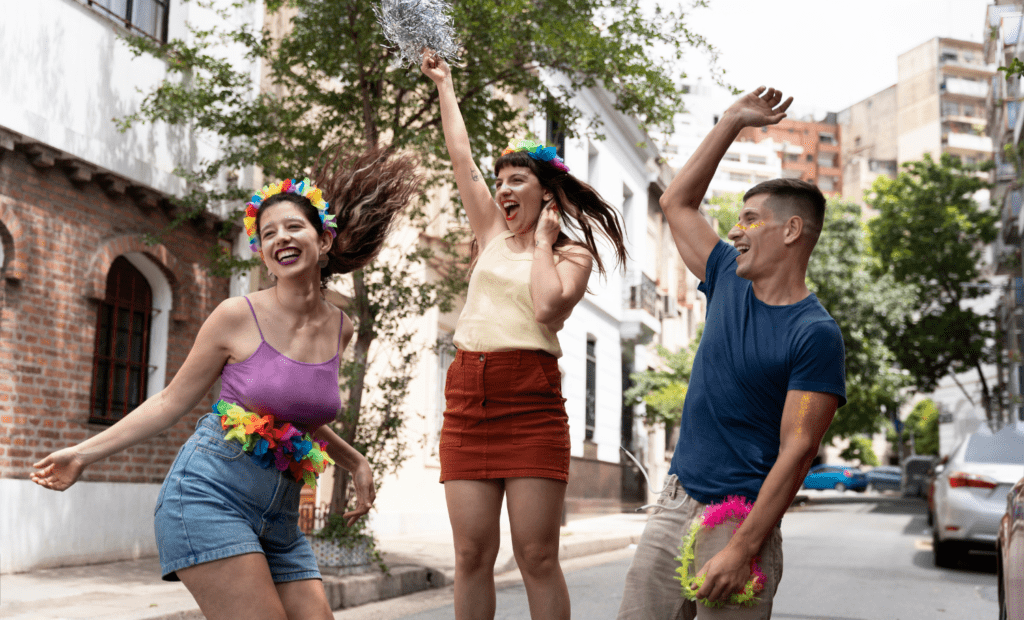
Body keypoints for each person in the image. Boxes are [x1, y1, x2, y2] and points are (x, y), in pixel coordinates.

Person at [31, 144, 420, 620]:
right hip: (209, 496)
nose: (280, 238)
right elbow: (170, 401)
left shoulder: (341, 327)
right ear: (264, 255)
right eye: (268, 233)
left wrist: (354, 459)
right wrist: (82, 453)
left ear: (324, 241)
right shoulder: (237, 315)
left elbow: (293, 410)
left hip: (279, 516)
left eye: (293, 227)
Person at [616, 87, 847, 620]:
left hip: (740, 520)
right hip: (675, 502)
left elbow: (798, 451)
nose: (736, 230)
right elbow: (676, 203)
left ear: (791, 231)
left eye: (750, 219)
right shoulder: (726, 275)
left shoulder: (815, 334)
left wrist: (742, 548)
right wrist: (732, 121)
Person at [421, 51, 627, 620]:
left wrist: (541, 243)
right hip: (469, 398)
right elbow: (459, 155)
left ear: (545, 193)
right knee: (470, 554)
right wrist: (445, 84)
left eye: (517, 180)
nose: (503, 189)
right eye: (500, 182)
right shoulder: (488, 230)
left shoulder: (571, 255)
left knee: (536, 555)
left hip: (531, 401)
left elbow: (546, 308)